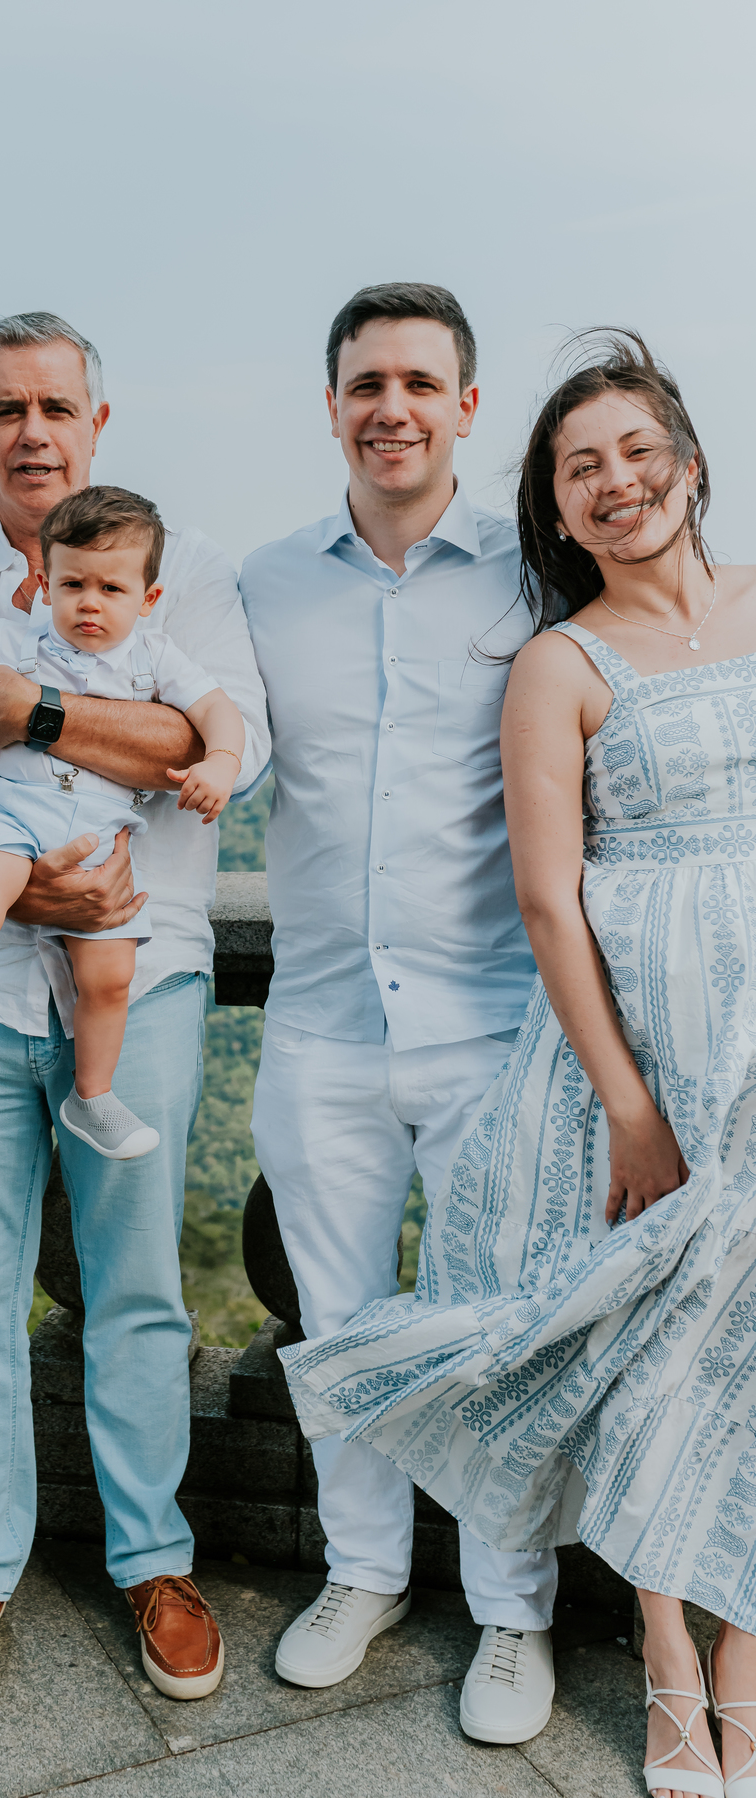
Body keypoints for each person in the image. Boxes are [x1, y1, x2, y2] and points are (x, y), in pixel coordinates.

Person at [277, 329, 756, 1798]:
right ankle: (673, 1673)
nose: (617, 483)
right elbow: (551, 896)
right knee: (645, 1343)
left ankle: (745, 1671)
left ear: (686, 454)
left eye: (635, 450)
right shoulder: (555, 658)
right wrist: (629, 1103)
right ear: (552, 508)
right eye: (580, 469)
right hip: (655, 1052)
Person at [0, 311, 268, 1717]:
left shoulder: (184, 572)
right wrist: (19, 900)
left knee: (135, 1282)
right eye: (6, 408)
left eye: (57, 406)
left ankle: (154, 1555)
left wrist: (28, 713)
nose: (34, 429)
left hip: (135, 977)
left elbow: (217, 741)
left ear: (99, 422)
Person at [240, 283, 560, 1744]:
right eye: (368, 381)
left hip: (493, 1017)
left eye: (422, 383)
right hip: (315, 1019)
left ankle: (513, 1610)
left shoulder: (532, 579)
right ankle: (362, 1571)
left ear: (467, 408)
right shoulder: (262, 584)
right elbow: (200, 750)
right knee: (339, 1320)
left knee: (497, 1325)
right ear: (332, 403)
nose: (394, 407)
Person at [0, 486, 245, 1145]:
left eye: (111, 590)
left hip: (100, 840)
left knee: (111, 976)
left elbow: (216, 713)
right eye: (73, 585)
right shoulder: (18, 641)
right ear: (46, 583)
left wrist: (222, 763)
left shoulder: (152, 657)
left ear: (147, 600)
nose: (89, 603)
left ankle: (93, 1096)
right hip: (9, 821)